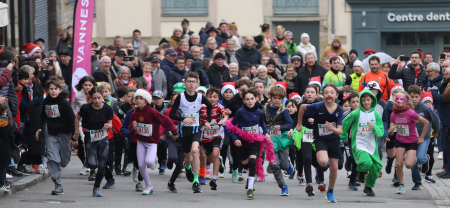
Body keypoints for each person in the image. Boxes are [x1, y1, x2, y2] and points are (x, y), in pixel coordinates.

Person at [295, 83, 343, 203]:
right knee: (322, 162)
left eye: (332, 92)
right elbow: (301, 107)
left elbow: (340, 131)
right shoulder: (318, 106)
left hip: (334, 140)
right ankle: (322, 168)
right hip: (320, 139)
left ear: (336, 95)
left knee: (334, 168)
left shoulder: (339, 109)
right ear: (322, 94)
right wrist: (299, 123)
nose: (329, 95)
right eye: (326, 92)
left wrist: (332, 129)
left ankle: (330, 191)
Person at [225, 87, 273, 199]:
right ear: (244, 101)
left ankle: (250, 187)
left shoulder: (260, 112)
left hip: (255, 140)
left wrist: (266, 133)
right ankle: (249, 177)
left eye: (252, 99)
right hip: (242, 141)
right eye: (247, 99)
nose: (250, 101)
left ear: (256, 99)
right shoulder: (240, 112)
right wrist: (235, 139)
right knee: (245, 163)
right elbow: (232, 127)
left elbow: (262, 124)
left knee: (253, 161)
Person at [128, 89, 177, 195]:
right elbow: (131, 133)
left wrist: (174, 131)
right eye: (137, 98)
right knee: (141, 165)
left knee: (149, 162)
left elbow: (166, 120)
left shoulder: (152, 111)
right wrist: (133, 128)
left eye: (141, 98)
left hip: (152, 142)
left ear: (146, 101)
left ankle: (153, 160)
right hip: (140, 141)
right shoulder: (133, 114)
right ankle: (149, 185)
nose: (138, 100)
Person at [169, 72, 212, 193]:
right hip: (184, 131)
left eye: (194, 82)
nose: (191, 84)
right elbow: (172, 114)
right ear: (185, 83)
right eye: (189, 81)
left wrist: (208, 121)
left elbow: (209, 105)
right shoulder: (180, 97)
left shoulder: (200, 97)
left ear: (198, 83)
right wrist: (183, 119)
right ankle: (188, 167)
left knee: (195, 151)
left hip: (196, 129)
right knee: (188, 158)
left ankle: (196, 181)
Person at [341, 89, 384, 196]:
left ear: (372, 100)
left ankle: (368, 187)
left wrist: (374, 127)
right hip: (359, 144)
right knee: (367, 163)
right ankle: (360, 170)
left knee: (376, 167)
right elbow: (345, 122)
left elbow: (381, 132)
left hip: (372, 145)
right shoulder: (356, 113)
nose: (366, 102)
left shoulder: (376, 114)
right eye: (363, 100)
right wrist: (344, 135)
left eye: (368, 100)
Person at [73, 86, 113, 197]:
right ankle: (89, 160)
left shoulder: (107, 108)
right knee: (92, 164)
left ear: (103, 96)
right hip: (90, 137)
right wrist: (76, 133)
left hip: (103, 138)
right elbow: (77, 118)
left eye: (99, 98)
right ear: (90, 98)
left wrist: (108, 126)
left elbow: (110, 123)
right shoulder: (86, 108)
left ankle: (96, 187)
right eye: (94, 98)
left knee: (101, 164)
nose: (96, 101)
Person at [36, 78, 74, 195]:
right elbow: (43, 116)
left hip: (65, 134)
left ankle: (60, 166)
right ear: (47, 90)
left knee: (63, 161)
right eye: (51, 89)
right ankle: (58, 184)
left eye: (55, 89)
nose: (53, 91)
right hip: (51, 134)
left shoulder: (64, 103)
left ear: (60, 90)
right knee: (53, 159)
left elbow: (72, 119)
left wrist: (74, 136)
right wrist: (40, 127)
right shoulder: (46, 102)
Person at [389, 90, 429, 194]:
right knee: (398, 164)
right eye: (396, 99)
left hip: (411, 141)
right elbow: (391, 131)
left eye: (401, 99)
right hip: (400, 140)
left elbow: (426, 122)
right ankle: (401, 185)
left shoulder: (410, 113)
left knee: (409, 165)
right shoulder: (393, 113)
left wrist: (422, 137)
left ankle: (415, 159)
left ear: (406, 101)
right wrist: (391, 131)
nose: (398, 101)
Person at [288, 84, 324, 195]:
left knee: (318, 160)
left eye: (312, 92)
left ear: (316, 94)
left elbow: (326, 118)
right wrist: (291, 129)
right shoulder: (301, 105)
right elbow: (296, 120)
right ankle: (309, 184)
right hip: (304, 134)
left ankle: (322, 181)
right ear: (304, 93)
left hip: (317, 134)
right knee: (307, 158)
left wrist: (316, 120)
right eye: (307, 92)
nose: (309, 94)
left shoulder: (321, 105)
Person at [408, 85, 440, 190]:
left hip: (424, 138)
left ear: (420, 96)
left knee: (420, 158)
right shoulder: (407, 107)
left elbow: (436, 120)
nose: (414, 99)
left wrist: (435, 131)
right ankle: (417, 182)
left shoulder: (425, 108)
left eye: (416, 97)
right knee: (413, 161)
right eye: (412, 97)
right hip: (411, 138)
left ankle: (426, 160)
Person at [263, 85, 293, 196]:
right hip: (270, 139)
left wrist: (281, 127)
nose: (277, 100)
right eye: (275, 98)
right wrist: (265, 132)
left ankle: (289, 164)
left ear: (282, 99)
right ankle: (283, 186)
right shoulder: (265, 108)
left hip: (282, 138)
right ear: (270, 97)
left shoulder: (283, 110)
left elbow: (290, 123)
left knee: (284, 166)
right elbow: (262, 122)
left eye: (279, 99)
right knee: (275, 164)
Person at [200, 87, 228, 190]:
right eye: (210, 97)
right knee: (211, 159)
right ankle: (219, 161)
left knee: (216, 154)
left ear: (218, 98)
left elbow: (225, 115)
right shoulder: (201, 107)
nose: (212, 99)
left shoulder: (219, 106)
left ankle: (214, 179)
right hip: (205, 135)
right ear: (206, 97)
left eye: (215, 97)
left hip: (217, 134)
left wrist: (223, 120)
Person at [71, 76, 96, 176]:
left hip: (95, 123)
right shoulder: (78, 95)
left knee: (92, 145)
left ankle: (91, 164)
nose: (88, 87)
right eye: (85, 85)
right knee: (83, 143)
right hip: (81, 122)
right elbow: (73, 108)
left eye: (90, 85)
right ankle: (86, 165)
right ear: (82, 85)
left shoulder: (96, 94)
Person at [0, 103, 13, 192]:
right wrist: (11, 147)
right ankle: (1, 184)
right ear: (4, 113)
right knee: (2, 167)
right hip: (4, 150)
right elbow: (12, 138)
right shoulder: (7, 126)